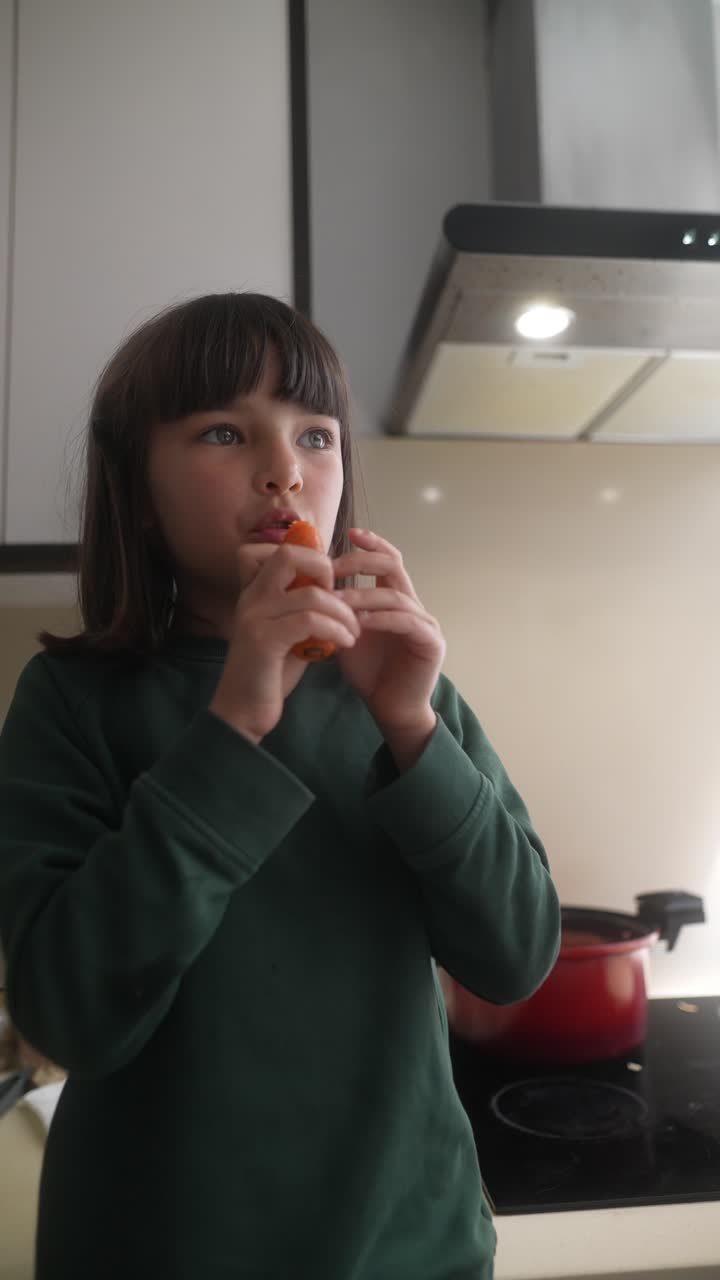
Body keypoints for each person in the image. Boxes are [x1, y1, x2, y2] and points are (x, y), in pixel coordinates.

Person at [0, 292, 561, 1279]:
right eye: (225, 429)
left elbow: (516, 958)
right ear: (135, 485)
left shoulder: (401, 689)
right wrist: (235, 726)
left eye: (316, 433)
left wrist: (413, 727)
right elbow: (67, 1016)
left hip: (413, 1249)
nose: (285, 467)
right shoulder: (72, 700)